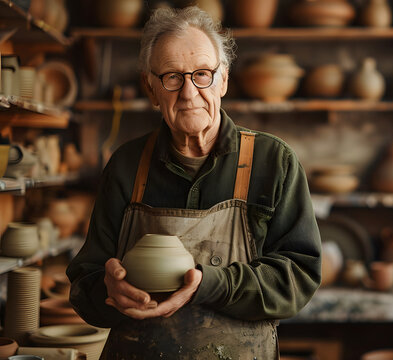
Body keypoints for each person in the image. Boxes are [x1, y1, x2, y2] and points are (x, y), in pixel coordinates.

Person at [66, 6, 322, 359]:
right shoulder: (127, 165)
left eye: (202, 74)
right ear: (151, 88)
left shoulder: (273, 162)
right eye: (172, 77)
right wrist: (108, 291)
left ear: (224, 80)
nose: (188, 93)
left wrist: (210, 283)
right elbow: (85, 281)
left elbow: (298, 278)